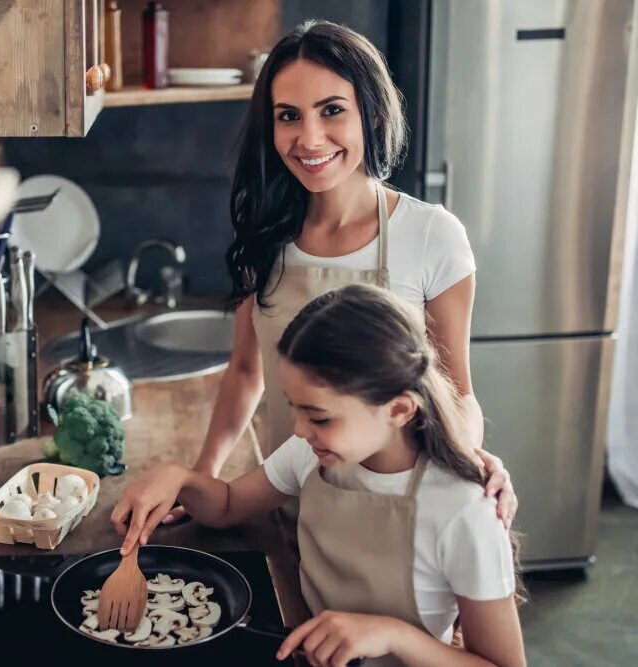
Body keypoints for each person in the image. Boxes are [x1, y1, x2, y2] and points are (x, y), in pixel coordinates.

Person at [164, 20, 517, 528]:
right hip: (286, 501)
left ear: (371, 115)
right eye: (289, 116)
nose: (309, 138)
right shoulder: (264, 238)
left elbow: (456, 393)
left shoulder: (431, 235)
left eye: (332, 110)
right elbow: (246, 373)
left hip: (399, 512)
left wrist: (469, 461)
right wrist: (202, 478)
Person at [113, 285, 526, 667]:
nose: (300, 430)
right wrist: (179, 478)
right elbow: (225, 506)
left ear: (399, 410)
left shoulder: (463, 512)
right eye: (296, 409)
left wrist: (393, 635)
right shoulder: (311, 454)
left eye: (319, 417)